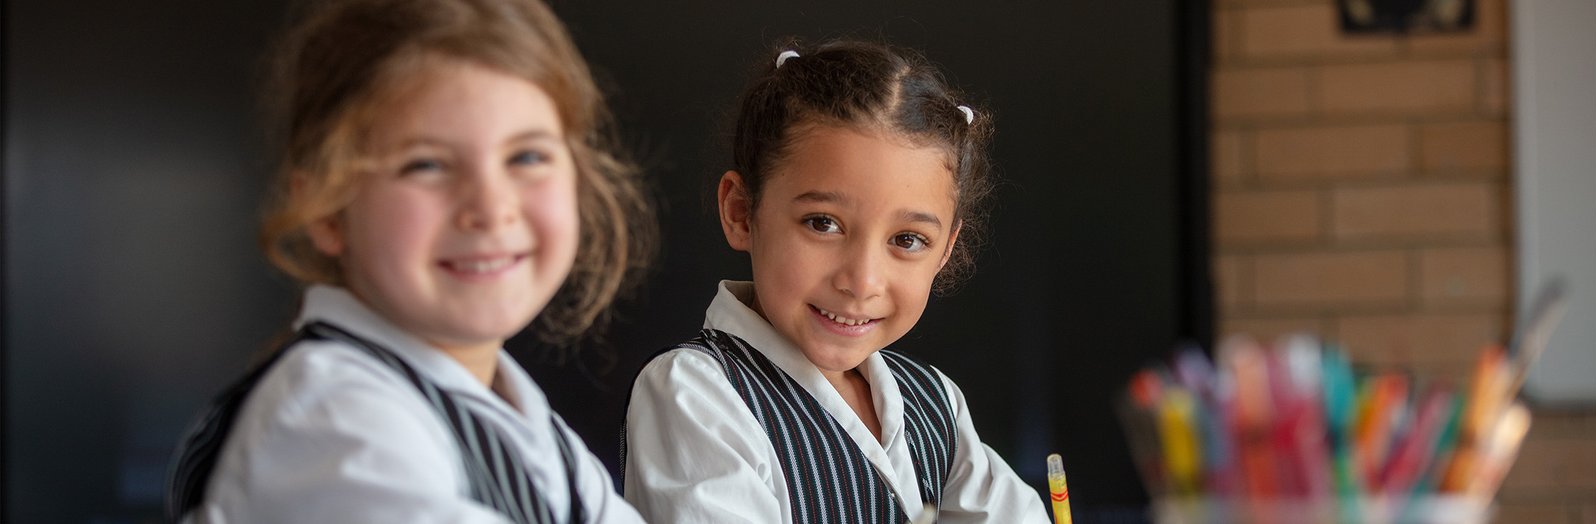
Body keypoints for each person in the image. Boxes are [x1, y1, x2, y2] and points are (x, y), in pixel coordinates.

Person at [164, 0, 651, 521]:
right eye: (427, 165)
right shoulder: (333, 422)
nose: (490, 209)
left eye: (527, 156)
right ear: (327, 210)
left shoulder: (527, 426)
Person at [622, 39, 1049, 523]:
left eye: (907, 240)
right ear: (742, 212)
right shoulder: (696, 393)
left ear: (946, 250)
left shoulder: (935, 403)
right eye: (823, 223)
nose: (862, 281)